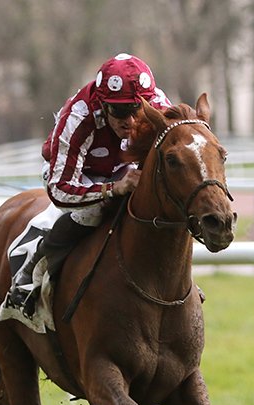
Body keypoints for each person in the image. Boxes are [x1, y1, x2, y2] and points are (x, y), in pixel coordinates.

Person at [12, 53, 172, 316]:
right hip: (71, 174)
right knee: (94, 211)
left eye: (136, 110)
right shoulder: (80, 116)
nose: (129, 122)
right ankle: (33, 271)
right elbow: (60, 189)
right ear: (102, 104)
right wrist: (112, 189)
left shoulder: (160, 107)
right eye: (120, 111)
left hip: (123, 166)